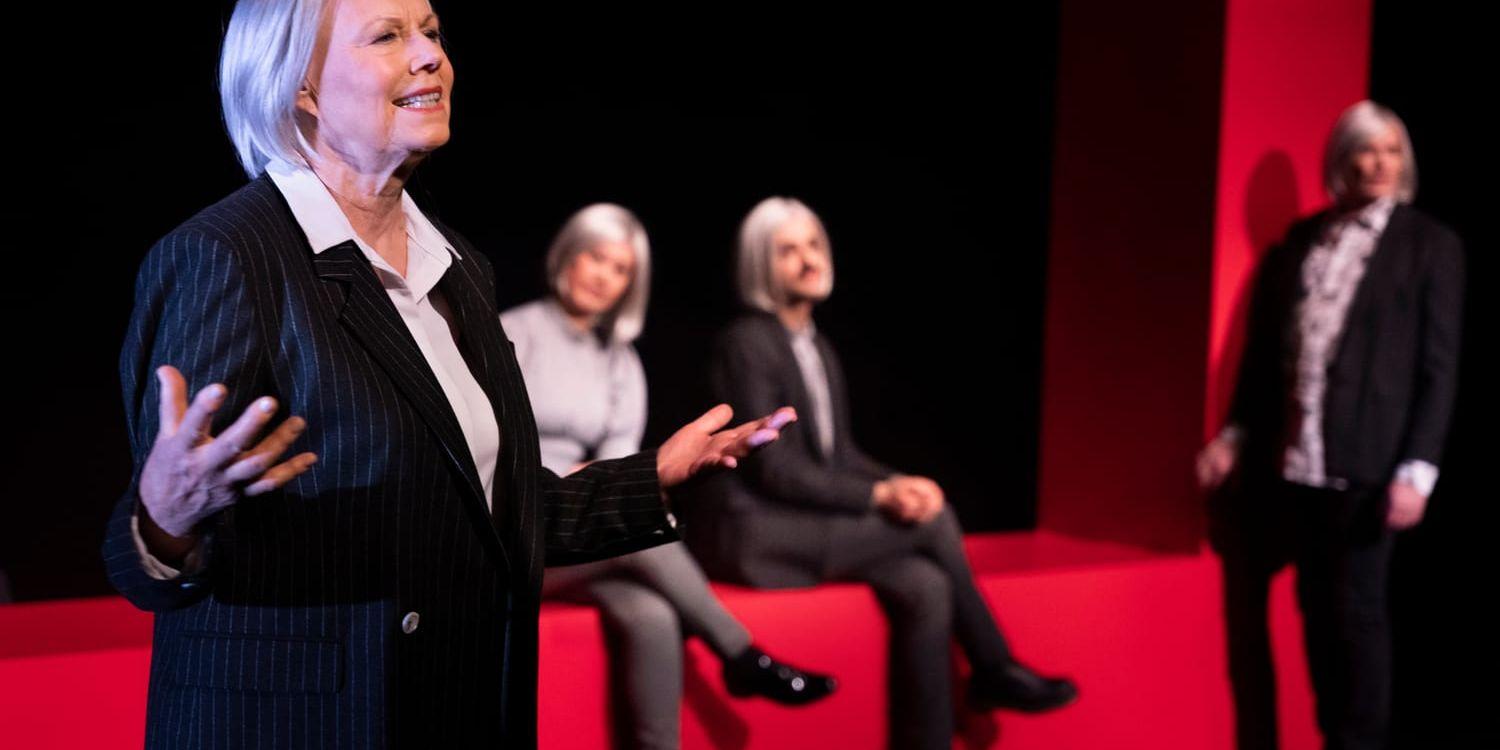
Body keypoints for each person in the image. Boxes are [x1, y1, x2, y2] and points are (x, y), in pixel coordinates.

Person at [99, 2, 793, 747]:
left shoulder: (460, 270)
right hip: (309, 723)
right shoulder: (225, 256)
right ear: (299, 86)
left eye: (429, 30)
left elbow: (480, 524)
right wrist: (163, 522)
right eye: (388, 36)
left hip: (462, 708)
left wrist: (651, 476)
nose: (429, 54)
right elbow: (153, 564)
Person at [682, 197, 1078, 750]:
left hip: (802, 523)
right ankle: (993, 666)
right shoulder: (748, 341)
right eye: (787, 250)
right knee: (934, 525)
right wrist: (881, 495)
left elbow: (840, 454)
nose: (807, 259)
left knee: (926, 584)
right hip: (755, 534)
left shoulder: (817, 345)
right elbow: (773, 467)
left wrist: (900, 481)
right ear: (759, 265)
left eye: (813, 245)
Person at [501, 203, 835, 748]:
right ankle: (743, 654)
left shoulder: (622, 361)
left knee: (653, 615)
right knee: (641, 523)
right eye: (595, 258)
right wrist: (572, 477)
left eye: (620, 269)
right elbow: (495, 444)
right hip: (523, 524)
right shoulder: (514, 332)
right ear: (568, 257)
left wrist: (596, 479)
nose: (604, 276)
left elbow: (619, 457)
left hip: (586, 528)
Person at [1198, 100, 1465, 750]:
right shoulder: (1303, 240)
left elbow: (1439, 366)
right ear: (1341, 159)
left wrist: (1418, 472)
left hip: (1371, 470)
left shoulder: (1429, 245)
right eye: (1365, 150)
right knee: (1315, 618)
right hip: (1297, 467)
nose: (1378, 163)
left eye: (1391, 150)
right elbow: (1265, 357)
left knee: (1359, 623)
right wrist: (1233, 437)